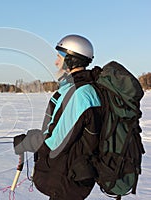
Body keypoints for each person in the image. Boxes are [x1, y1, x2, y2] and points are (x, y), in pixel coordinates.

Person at [13, 34, 103, 200]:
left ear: (71, 60)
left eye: (59, 57)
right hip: (67, 177)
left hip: (68, 181)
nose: (56, 62)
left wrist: (28, 141)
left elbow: (56, 141)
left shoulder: (80, 94)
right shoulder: (75, 89)